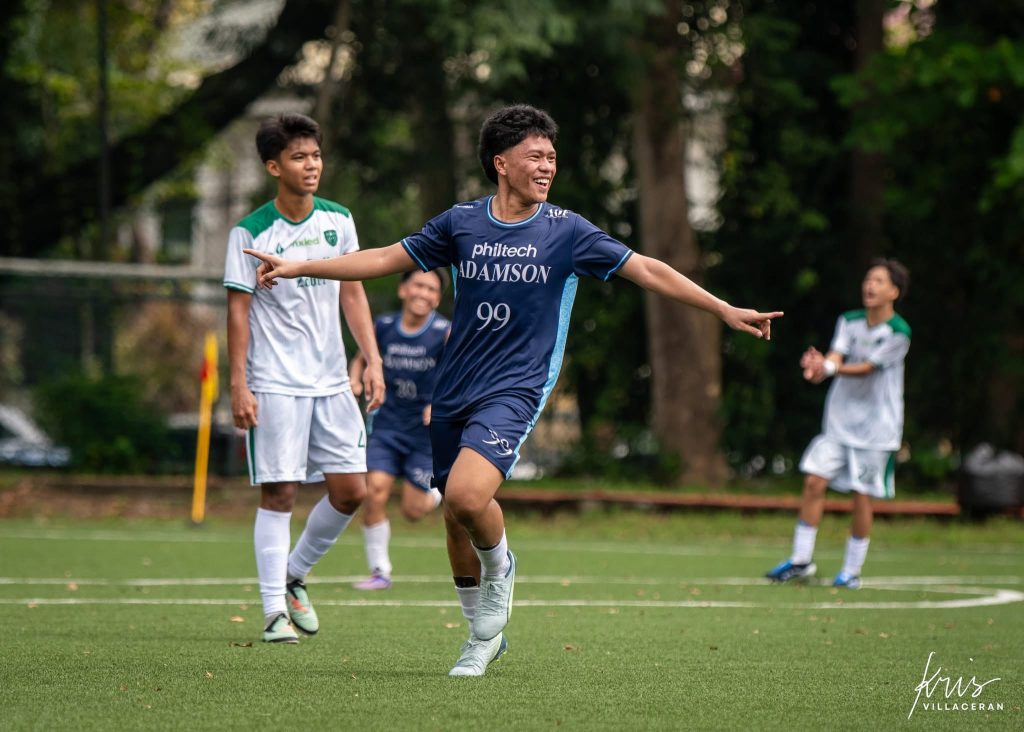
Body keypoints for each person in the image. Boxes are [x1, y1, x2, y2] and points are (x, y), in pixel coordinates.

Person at [244, 104, 782, 674]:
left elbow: (647, 269)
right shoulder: (460, 223)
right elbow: (382, 258)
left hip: (516, 388)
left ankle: (501, 572)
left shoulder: (568, 231)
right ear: (501, 163)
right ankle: (480, 635)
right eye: (536, 156)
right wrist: (302, 267)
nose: (548, 166)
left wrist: (721, 308)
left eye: (552, 157)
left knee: (468, 497)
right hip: (454, 388)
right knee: (453, 518)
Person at [223, 112, 385, 644]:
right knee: (281, 493)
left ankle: (294, 575)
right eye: (298, 156)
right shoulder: (249, 231)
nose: (311, 164)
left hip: (332, 381)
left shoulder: (339, 220)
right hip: (274, 381)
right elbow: (238, 312)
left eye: (315, 155)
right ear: (274, 166)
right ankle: (273, 611)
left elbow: (354, 290)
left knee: (351, 490)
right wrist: (238, 384)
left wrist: (373, 358)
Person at [766, 259, 910, 589]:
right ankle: (801, 560)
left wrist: (830, 370)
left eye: (878, 281)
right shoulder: (849, 320)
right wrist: (819, 366)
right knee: (814, 482)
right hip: (839, 422)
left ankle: (851, 572)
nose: (869, 286)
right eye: (867, 279)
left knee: (861, 496)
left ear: (894, 292)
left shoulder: (899, 333)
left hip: (877, 429)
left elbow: (869, 368)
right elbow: (837, 356)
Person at [349, 269, 450, 590]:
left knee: (413, 511)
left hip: (424, 434)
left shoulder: (445, 332)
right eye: (418, 285)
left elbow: (461, 372)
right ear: (403, 289)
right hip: (387, 425)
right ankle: (380, 571)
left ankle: (435, 492)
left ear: (437, 298)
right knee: (374, 491)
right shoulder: (383, 327)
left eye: (432, 289)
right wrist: (354, 380)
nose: (424, 292)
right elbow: (362, 359)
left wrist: (441, 403)